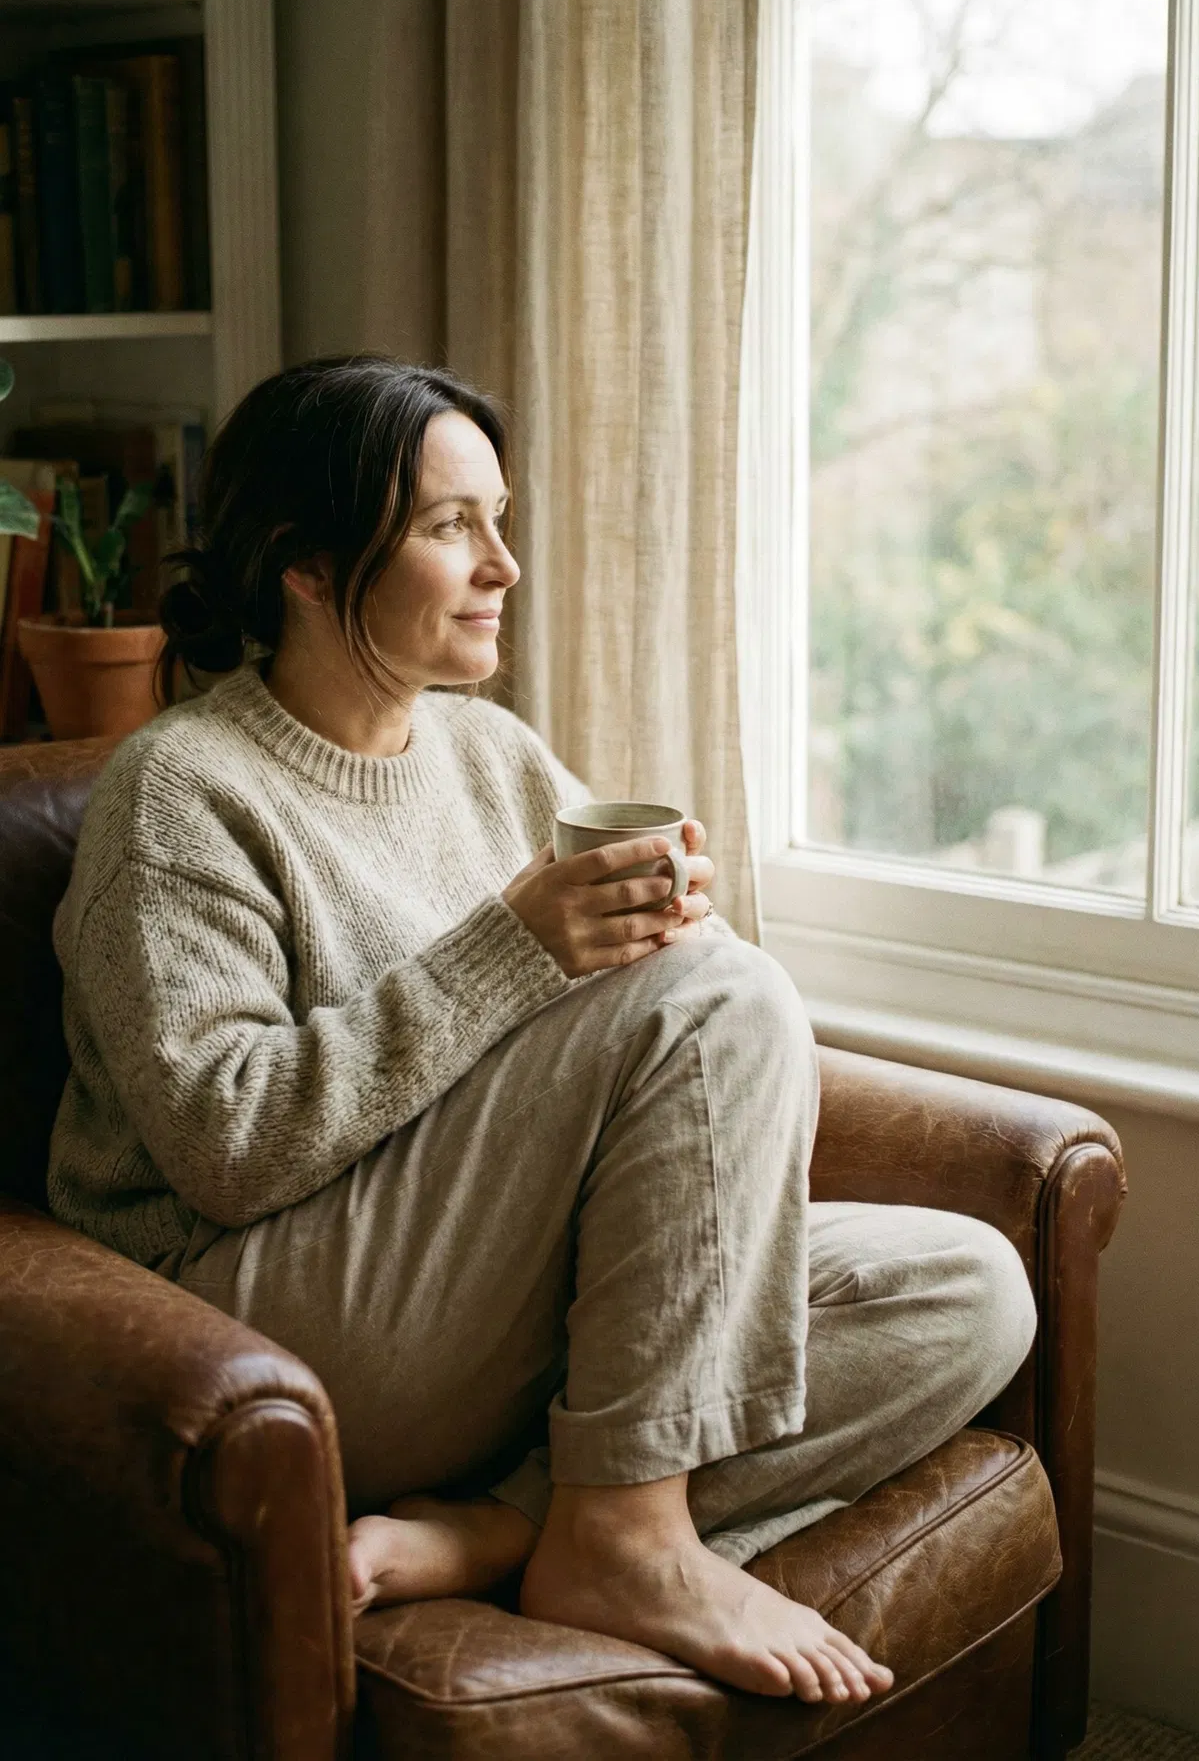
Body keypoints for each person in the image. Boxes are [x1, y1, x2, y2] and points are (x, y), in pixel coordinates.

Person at [48, 356, 1036, 1708]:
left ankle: (523, 1523)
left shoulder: (488, 755)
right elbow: (228, 1147)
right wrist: (525, 947)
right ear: (305, 564)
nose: (504, 564)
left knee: (970, 1291)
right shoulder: (180, 794)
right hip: (270, 1314)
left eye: (497, 519)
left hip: (493, 1298)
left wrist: (660, 927)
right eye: (453, 526)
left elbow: (640, 1038)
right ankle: (629, 1535)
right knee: (728, 994)